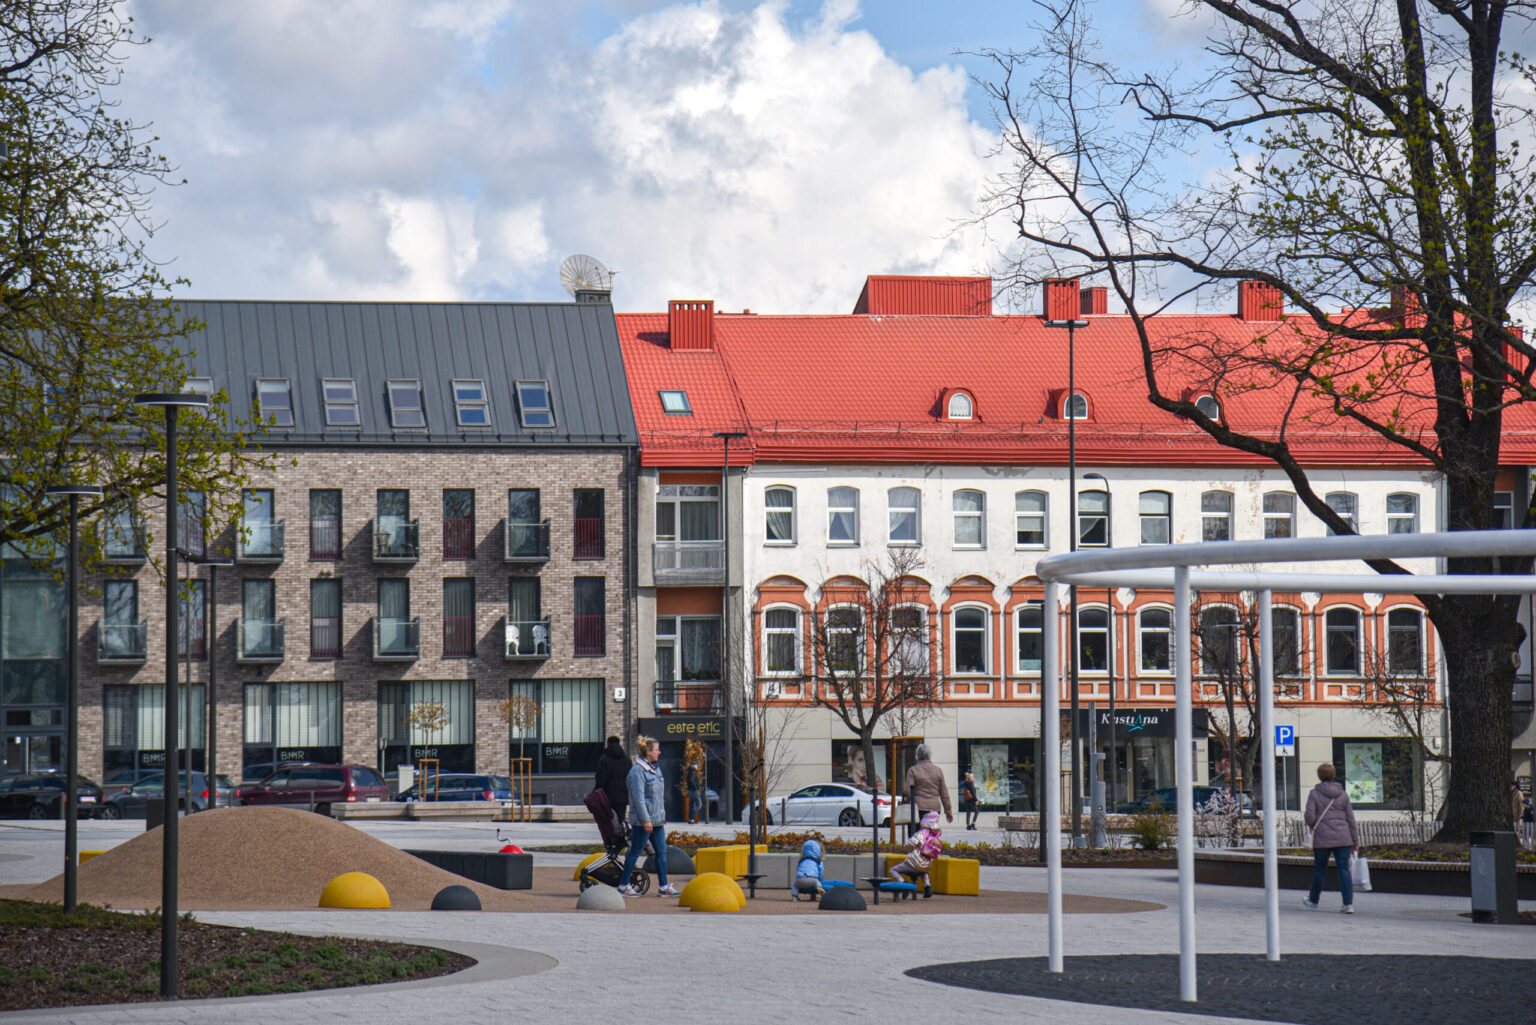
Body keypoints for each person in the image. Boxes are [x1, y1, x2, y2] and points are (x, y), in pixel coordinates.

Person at [618, 736, 678, 897]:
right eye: (656, 749)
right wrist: (645, 820)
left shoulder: (655, 769)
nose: (659, 752)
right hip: (643, 822)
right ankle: (623, 886)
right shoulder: (637, 772)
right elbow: (638, 799)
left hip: (657, 820)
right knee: (635, 852)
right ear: (648, 752)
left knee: (661, 852)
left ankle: (664, 886)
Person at [1303, 762, 1359, 914]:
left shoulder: (1314, 794)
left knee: (1320, 870)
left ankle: (1313, 901)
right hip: (1343, 838)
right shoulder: (1343, 794)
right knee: (1344, 870)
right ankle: (1348, 904)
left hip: (1322, 838)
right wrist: (1355, 841)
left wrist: (1316, 826)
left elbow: (1309, 816)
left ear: (1319, 776)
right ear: (1334, 775)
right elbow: (1350, 819)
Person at [890, 810, 943, 898]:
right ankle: (927, 887)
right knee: (923, 871)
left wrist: (908, 849)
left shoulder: (921, 833)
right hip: (927, 865)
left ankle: (903, 884)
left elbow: (910, 844)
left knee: (893, 870)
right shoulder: (935, 835)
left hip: (914, 863)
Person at [904, 743, 953, 835]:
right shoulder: (938, 770)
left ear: (917, 755)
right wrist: (948, 811)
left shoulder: (913, 770)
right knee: (931, 834)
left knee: (915, 836)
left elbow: (907, 791)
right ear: (930, 755)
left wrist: (909, 800)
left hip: (918, 808)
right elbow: (944, 793)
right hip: (934, 809)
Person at [594, 735, 630, 826]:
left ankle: (612, 835)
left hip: (607, 797)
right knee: (621, 820)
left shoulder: (604, 759)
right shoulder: (627, 760)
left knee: (608, 822)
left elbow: (600, 779)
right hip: (623, 797)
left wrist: (596, 792)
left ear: (608, 744)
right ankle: (622, 833)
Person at [686, 759, 704, 825]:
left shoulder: (689, 771)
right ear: (694, 765)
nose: (697, 766)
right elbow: (692, 781)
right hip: (694, 790)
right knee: (699, 805)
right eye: (697, 765)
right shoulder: (693, 772)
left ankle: (691, 819)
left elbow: (689, 781)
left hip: (689, 790)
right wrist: (696, 787)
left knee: (691, 805)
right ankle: (691, 818)